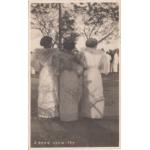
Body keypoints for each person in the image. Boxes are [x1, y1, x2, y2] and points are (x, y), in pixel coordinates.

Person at [80, 38, 110, 119]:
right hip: (96, 73)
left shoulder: (83, 52)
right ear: (96, 44)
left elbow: (81, 64)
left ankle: (86, 113)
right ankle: (97, 114)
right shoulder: (101, 53)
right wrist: (99, 70)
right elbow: (104, 66)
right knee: (97, 91)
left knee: (87, 91)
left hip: (87, 73)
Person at [31, 36, 60, 118]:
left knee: (44, 90)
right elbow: (57, 63)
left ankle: (43, 112)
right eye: (51, 42)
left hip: (43, 72)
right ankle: (52, 113)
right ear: (49, 43)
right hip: (51, 72)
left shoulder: (38, 52)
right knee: (51, 90)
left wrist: (39, 67)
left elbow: (34, 63)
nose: (51, 43)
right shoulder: (55, 52)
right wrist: (57, 72)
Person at [59, 39, 83, 121]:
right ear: (72, 47)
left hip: (64, 75)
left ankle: (65, 116)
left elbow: (57, 68)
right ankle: (72, 115)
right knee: (72, 94)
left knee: (64, 94)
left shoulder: (60, 55)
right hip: (73, 75)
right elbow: (81, 66)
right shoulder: (75, 56)